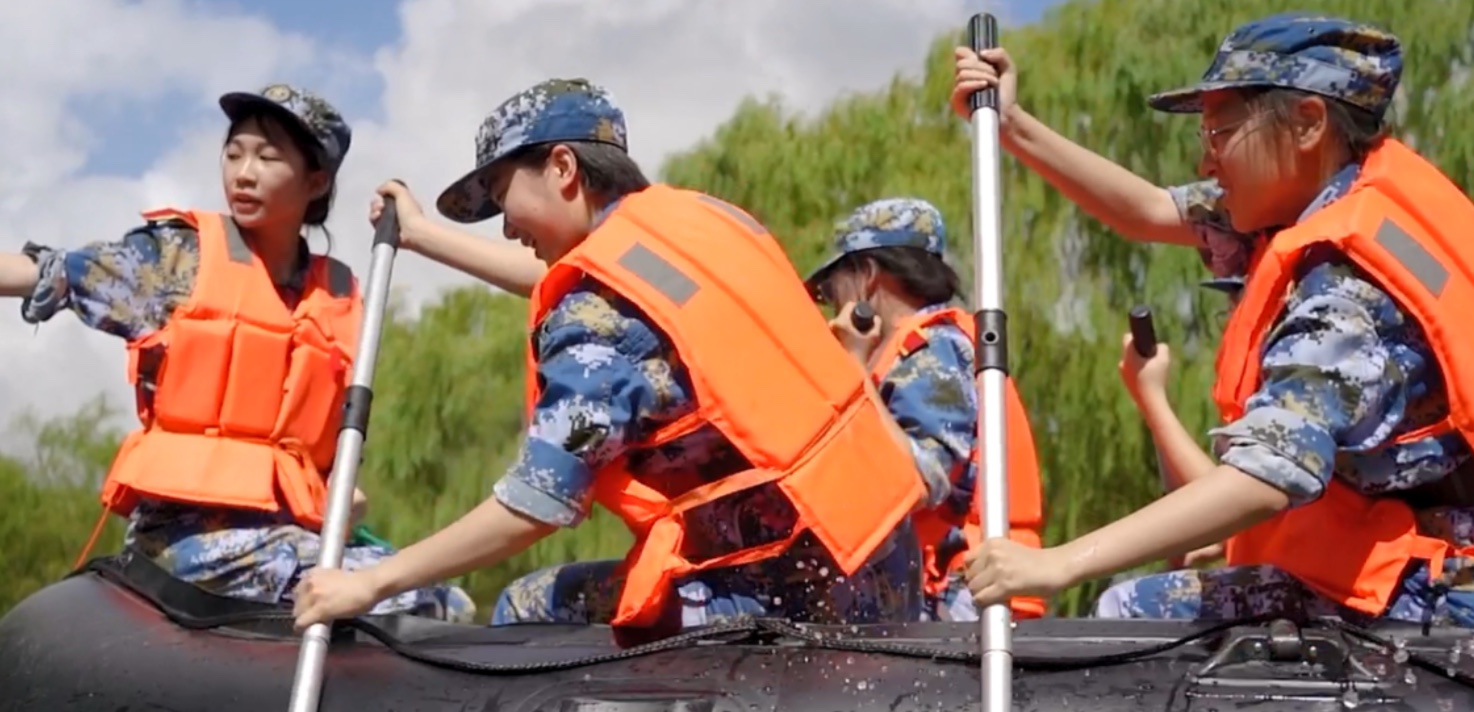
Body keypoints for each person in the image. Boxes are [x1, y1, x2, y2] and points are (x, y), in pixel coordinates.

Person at [957, 14, 1474, 629]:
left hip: (1462, 593)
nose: (1206, 163)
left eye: (1219, 135)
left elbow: (1267, 477)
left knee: (1129, 613)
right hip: (1426, 563)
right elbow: (1146, 209)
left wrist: (1060, 564)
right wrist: (1010, 125)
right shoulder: (1334, 196)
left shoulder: (1348, 288)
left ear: (1308, 124)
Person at [290, 79, 927, 633]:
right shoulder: (703, 225)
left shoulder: (596, 314)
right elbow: (577, 281)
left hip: (781, 592)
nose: (506, 226)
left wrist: (371, 583)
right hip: (880, 558)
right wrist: (426, 237)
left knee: (527, 603)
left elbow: (536, 504)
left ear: (562, 168)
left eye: (502, 196)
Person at [0, 85, 474, 621]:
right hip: (184, 537)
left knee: (444, 602)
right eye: (233, 153)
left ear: (316, 181)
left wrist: (338, 495)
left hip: (287, 531)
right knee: (389, 593)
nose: (243, 172)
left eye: (267, 157)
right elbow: (42, 271)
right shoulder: (179, 260)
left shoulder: (340, 295)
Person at [804, 198, 1046, 622]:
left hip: (957, 600)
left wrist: (853, 367)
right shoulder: (922, 351)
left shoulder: (934, 349)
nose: (830, 304)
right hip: (950, 593)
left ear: (867, 277)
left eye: (830, 290)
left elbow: (917, 480)